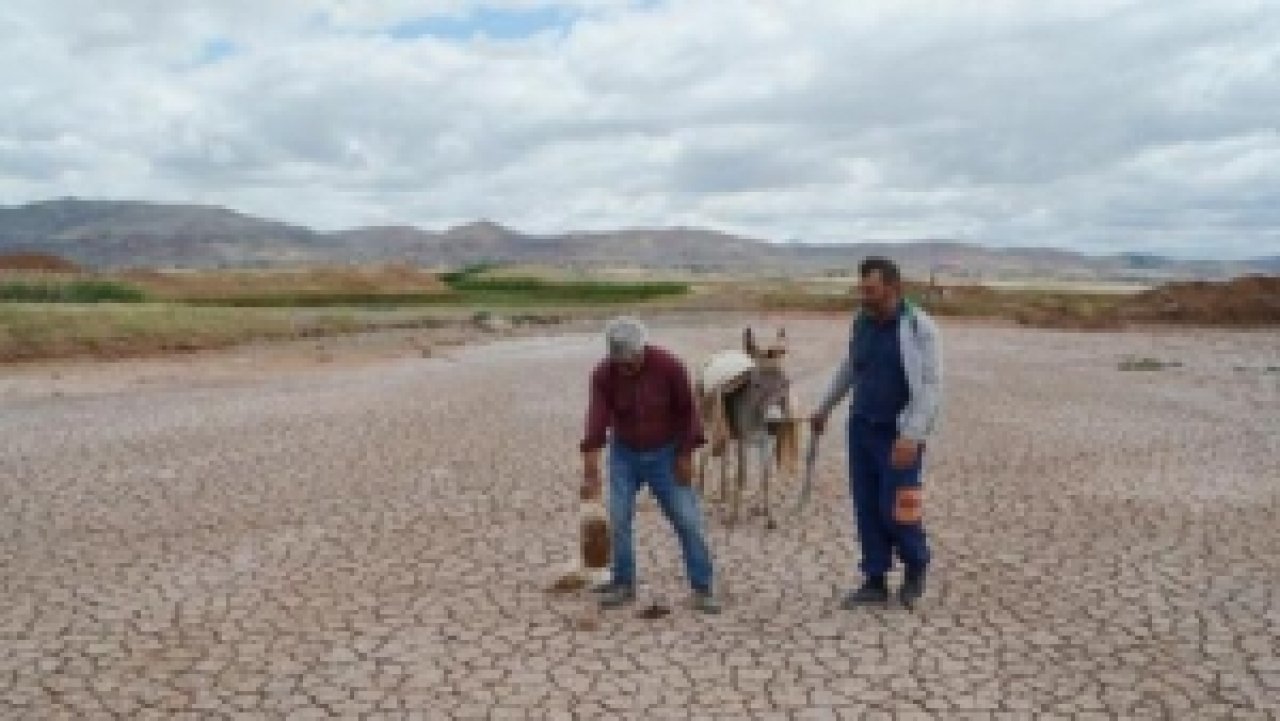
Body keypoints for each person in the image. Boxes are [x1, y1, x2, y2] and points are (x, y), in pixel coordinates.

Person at [811, 257, 943, 609]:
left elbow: (930, 387)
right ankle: (875, 579)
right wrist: (824, 406)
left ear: (893, 288)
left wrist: (913, 434)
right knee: (866, 506)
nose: (863, 296)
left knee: (898, 508)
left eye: (870, 290)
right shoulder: (862, 324)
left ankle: (916, 566)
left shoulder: (919, 329)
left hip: (898, 435)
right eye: (862, 289)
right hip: (861, 428)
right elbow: (851, 368)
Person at [580, 317, 720, 614]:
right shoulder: (603, 375)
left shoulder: (669, 366)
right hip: (624, 454)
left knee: (687, 520)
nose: (626, 368)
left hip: (666, 452)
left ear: (642, 349)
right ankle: (623, 584)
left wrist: (685, 456)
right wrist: (591, 472)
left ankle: (703, 587)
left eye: (631, 362)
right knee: (617, 518)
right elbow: (596, 421)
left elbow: (687, 413)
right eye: (620, 363)